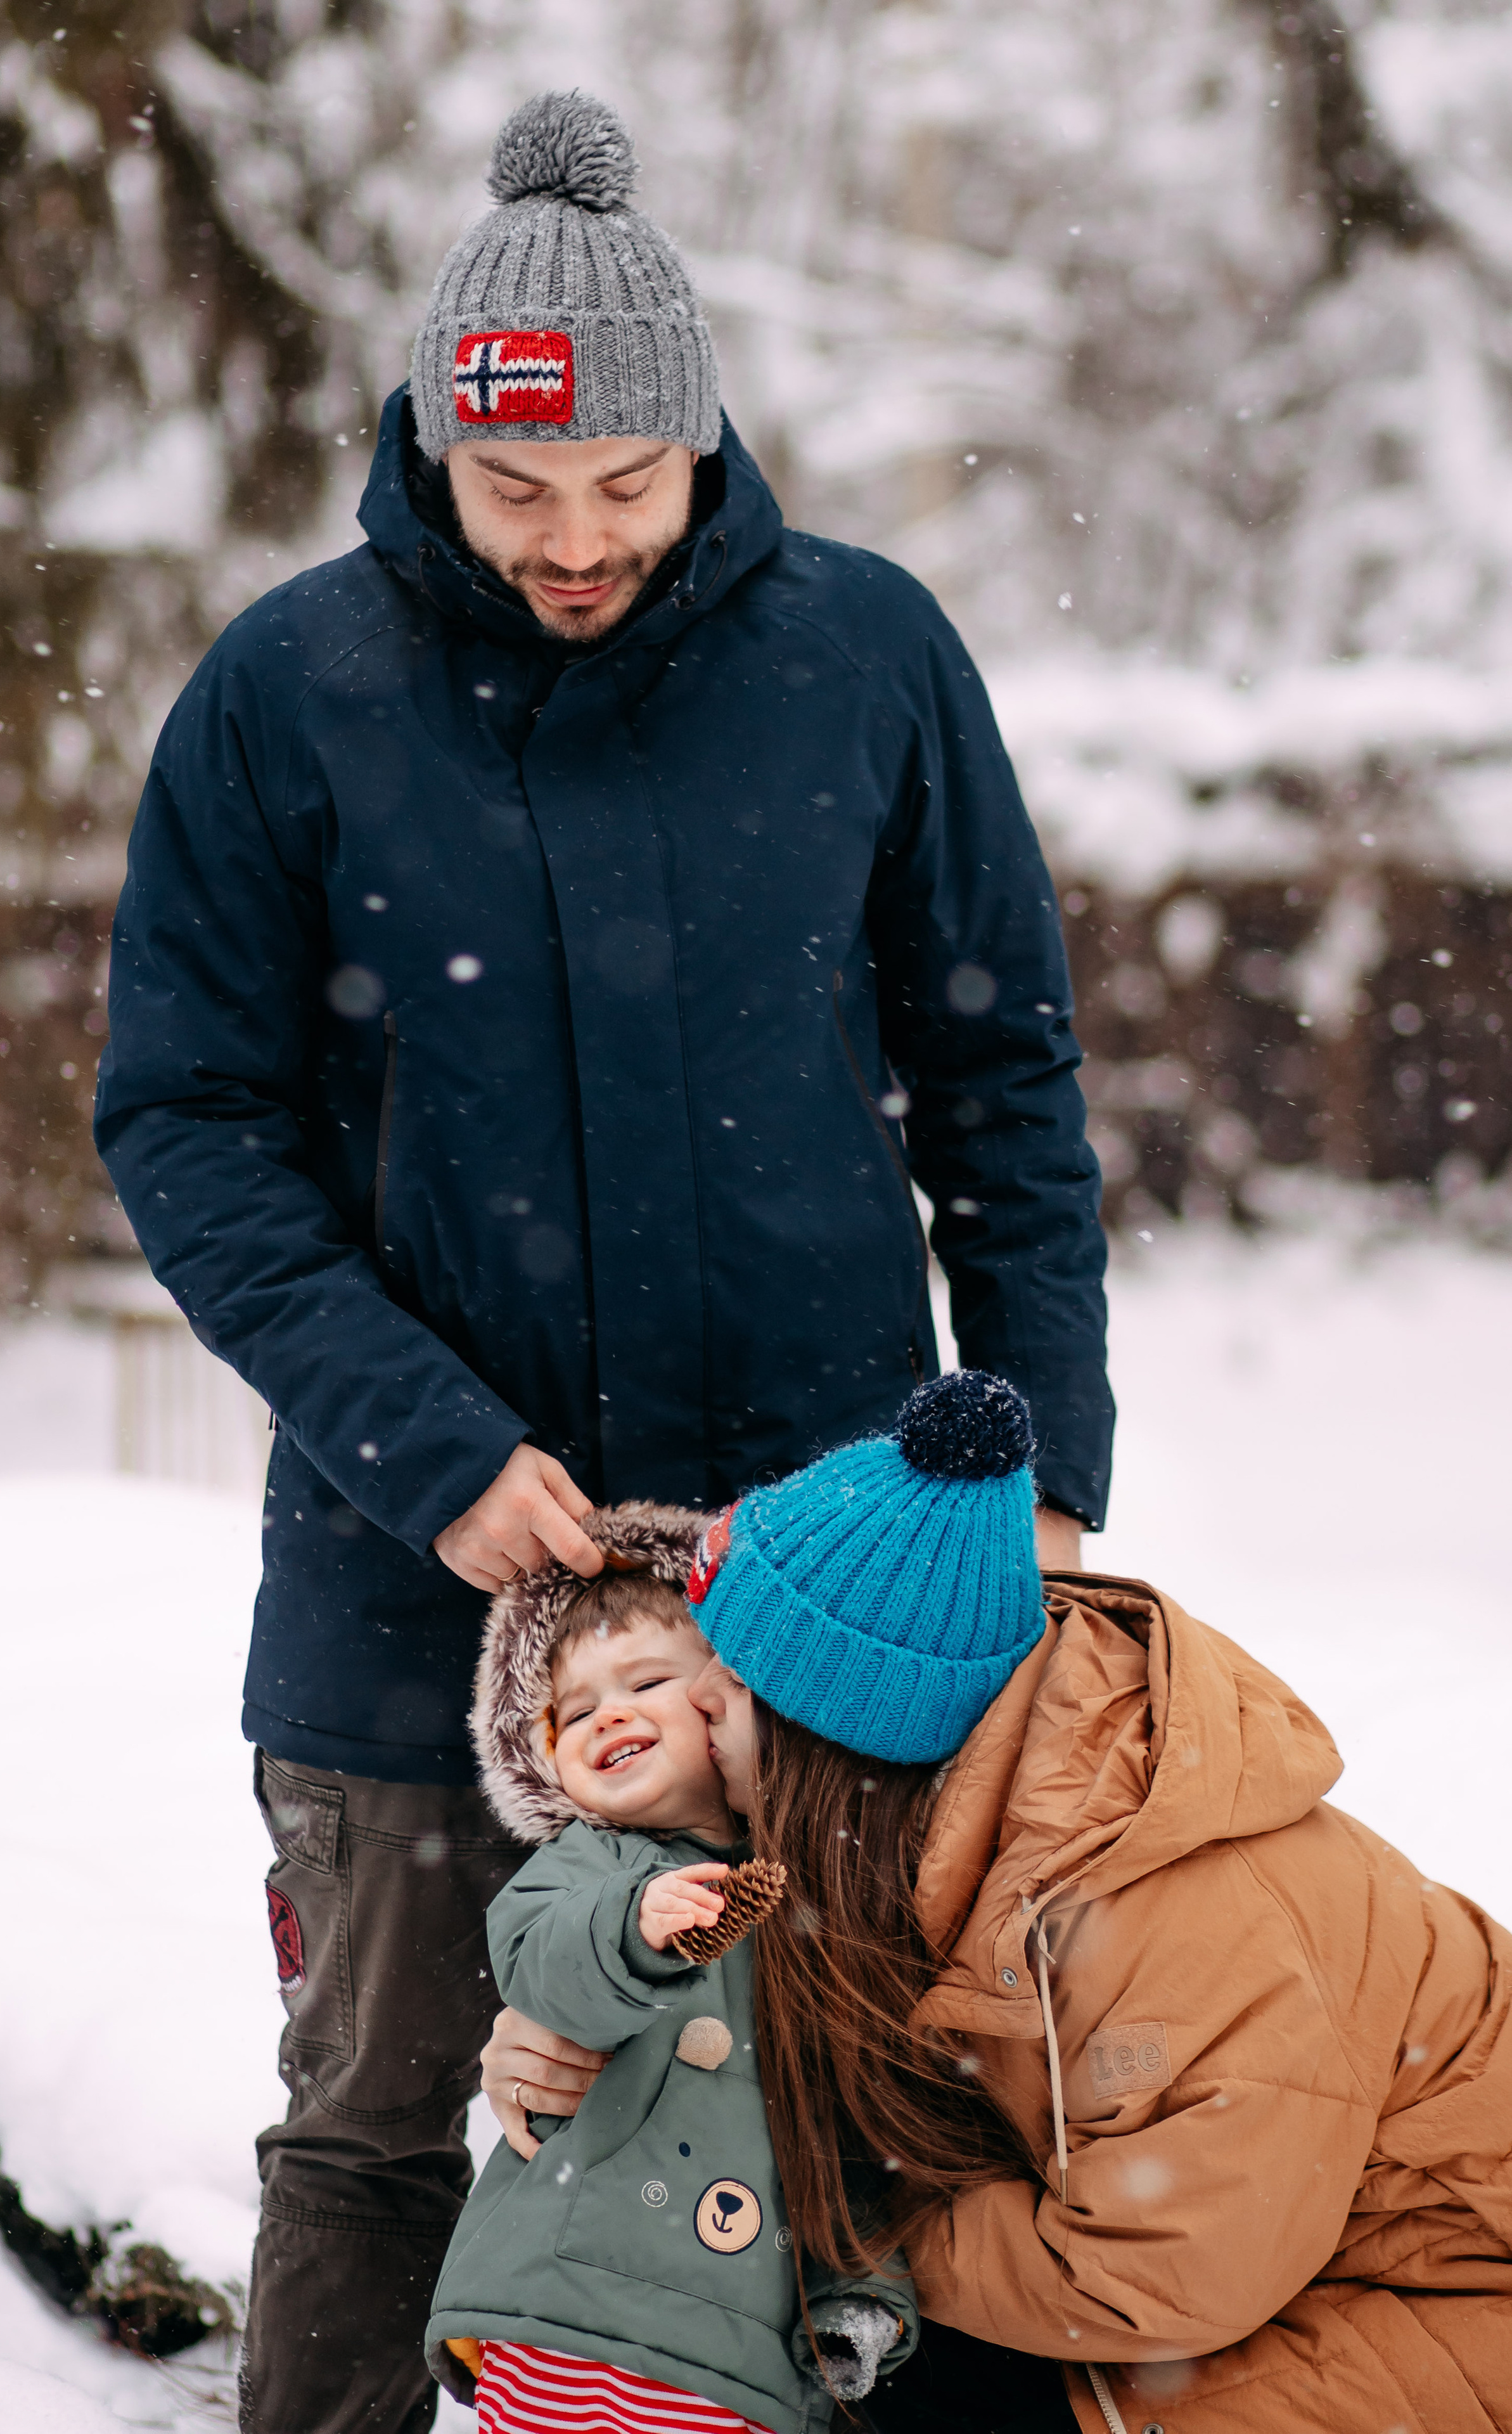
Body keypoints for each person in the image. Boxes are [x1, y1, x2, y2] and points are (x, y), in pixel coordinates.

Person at [93, 82, 1112, 2434]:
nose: (574, 542)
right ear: (431, 450)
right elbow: (190, 1121)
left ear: (705, 444)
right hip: (406, 1572)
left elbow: (1005, 1090)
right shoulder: (290, 692)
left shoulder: (864, 658)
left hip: (819, 1561)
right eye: (515, 490)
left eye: (627, 490)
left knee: (864, 2110)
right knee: (370, 2129)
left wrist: (1037, 1467)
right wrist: (425, 1447)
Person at [669, 1368, 1512, 2433]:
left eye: (738, 1684)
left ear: (840, 1742)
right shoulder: (926, 1825)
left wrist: (864, 2233)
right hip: (1272, 2265)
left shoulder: (1178, 1918)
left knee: (906, 2380)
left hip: (1442, 2298)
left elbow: (1153, 2278)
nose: (693, 1697)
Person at [423, 1501, 916, 2434]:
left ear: (728, 1697)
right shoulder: (589, 1866)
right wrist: (631, 1926)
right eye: (574, 1711)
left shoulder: (820, 1903)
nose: (609, 1712)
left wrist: (862, 2287)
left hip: (736, 2350)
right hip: (563, 2310)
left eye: (646, 1680)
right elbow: (536, 1958)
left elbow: (851, 2126)